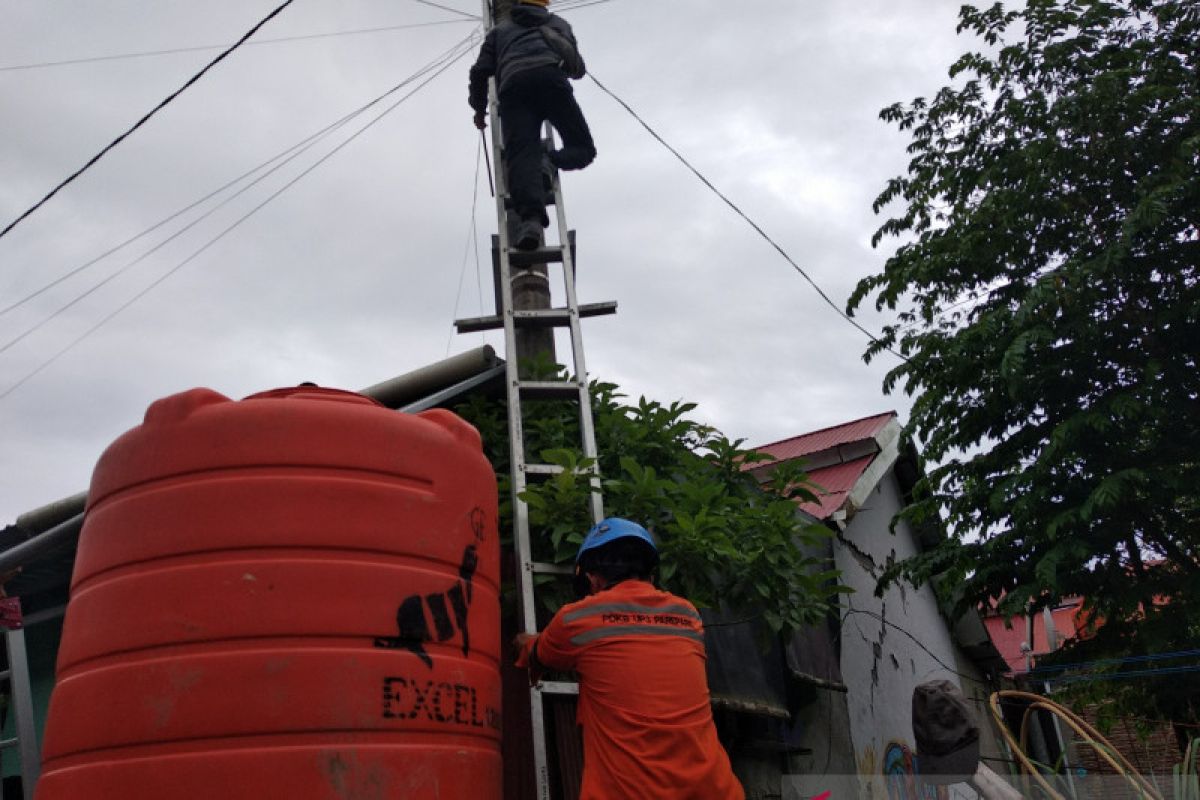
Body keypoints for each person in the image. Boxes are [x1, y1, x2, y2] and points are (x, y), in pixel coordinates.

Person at [514, 518, 744, 800]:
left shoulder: (577, 619)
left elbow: (539, 654)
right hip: (715, 791)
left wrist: (525, 642)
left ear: (592, 578)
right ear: (650, 573)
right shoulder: (688, 616)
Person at [468, 0, 596, 251]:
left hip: (514, 89)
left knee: (521, 156)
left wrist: (480, 109)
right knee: (583, 148)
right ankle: (550, 161)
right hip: (551, 82)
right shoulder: (558, 24)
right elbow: (577, 68)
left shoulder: (499, 32)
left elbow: (480, 72)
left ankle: (531, 223)